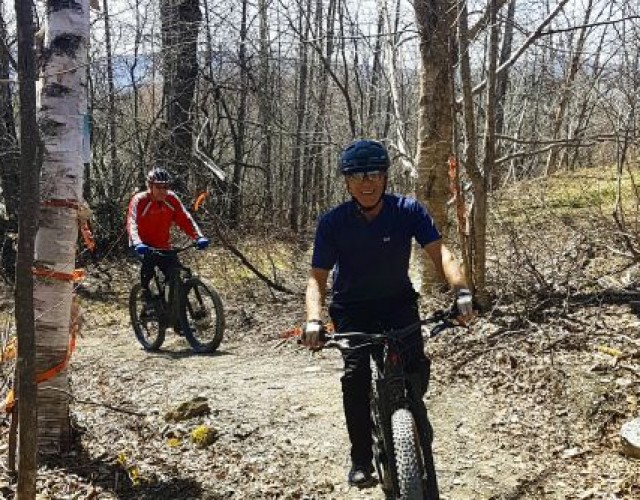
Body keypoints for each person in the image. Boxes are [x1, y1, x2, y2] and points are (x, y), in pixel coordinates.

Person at [301, 139, 472, 493]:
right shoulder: (333, 223)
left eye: (376, 173)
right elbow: (317, 279)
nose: (368, 182)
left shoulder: (408, 210)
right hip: (352, 308)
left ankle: (408, 421)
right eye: (358, 175)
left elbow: (441, 255)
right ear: (346, 181)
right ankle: (362, 459)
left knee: (415, 370)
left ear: (385, 176)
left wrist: (462, 291)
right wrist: (314, 320)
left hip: (397, 303)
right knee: (355, 376)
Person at [126, 167, 210, 303]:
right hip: (140, 244)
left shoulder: (171, 199)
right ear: (150, 186)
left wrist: (198, 236)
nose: (163, 190)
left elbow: (185, 219)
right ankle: (145, 296)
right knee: (149, 264)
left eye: (166, 187)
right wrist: (137, 243)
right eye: (158, 187)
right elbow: (131, 222)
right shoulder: (139, 200)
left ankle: (172, 310)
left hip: (162, 244)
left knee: (174, 273)